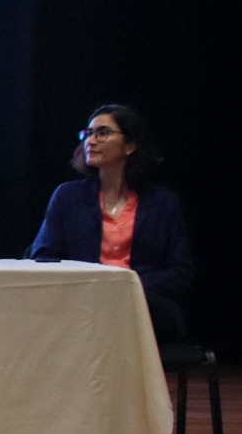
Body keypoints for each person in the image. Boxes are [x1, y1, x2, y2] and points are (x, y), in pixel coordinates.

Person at [30, 104, 193, 342]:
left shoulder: (163, 202)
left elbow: (180, 272)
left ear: (130, 145)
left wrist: (126, 287)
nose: (91, 141)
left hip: (144, 305)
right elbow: (44, 256)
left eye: (102, 133)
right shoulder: (68, 197)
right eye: (88, 133)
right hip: (82, 305)